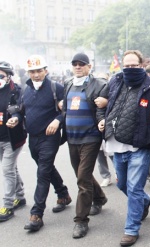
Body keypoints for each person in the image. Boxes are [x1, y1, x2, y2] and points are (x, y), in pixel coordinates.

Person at [101, 50, 150, 246]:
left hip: (141, 145)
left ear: (142, 65)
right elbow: (101, 104)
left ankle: (131, 229)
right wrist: (101, 120)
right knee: (122, 185)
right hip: (117, 142)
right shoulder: (115, 81)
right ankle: (145, 201)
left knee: (134, 187)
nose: (130, 69)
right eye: (126, 66)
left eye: (134, 66)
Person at [20, 55, 72, 232]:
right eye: (32, 71)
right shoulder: (25, 90)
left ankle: (37, 214)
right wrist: (14, 118)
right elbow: (20, 111)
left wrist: (58, 120)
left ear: (46, 71)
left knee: (42, 172)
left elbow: (66, 110)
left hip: (50, 137)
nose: (36, 74)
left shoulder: (55, 87)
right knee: (46, 168)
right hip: (32, 137)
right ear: (28, 73)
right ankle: (63, 194)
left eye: (39, 71)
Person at [60, 53, 109, 238]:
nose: (78, 67)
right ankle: (100, 198)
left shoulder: (99, 85)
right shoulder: (68, 84)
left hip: (90, 138)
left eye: (82, 64)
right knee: (83, 175)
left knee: (82, 179)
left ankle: (81, 221)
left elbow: (104, 109)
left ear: (89, 67)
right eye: (75, 64)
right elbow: (65, 108)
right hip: (72, 138)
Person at [0, 61, 27, 222]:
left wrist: (15, 118)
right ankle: (20, 196)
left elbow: (20, 110)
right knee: (11, 168)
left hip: (12, 138)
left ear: (9, 76)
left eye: (1, 75)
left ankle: (8, 205)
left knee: (7, 170)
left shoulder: (16, 91)